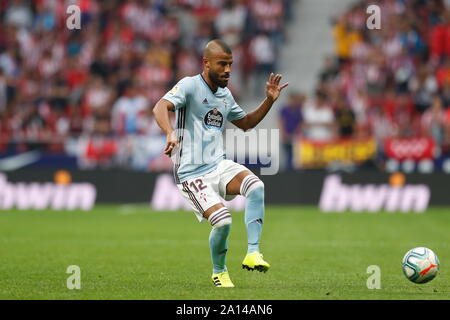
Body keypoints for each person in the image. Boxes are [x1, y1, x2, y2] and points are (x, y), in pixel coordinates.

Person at [152, 39, 288, 287]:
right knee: (224, 221)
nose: (227, 70)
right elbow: (161, 106)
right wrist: (170, 132)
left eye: (230, 64)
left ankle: (253, 253)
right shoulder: (190, 86)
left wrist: (269, 100)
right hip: (191, 173)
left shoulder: (225, 95)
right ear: (206, 63)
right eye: (222, 64)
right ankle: (219, 272)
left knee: (256, 187)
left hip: (218, 164)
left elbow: (245, 124)